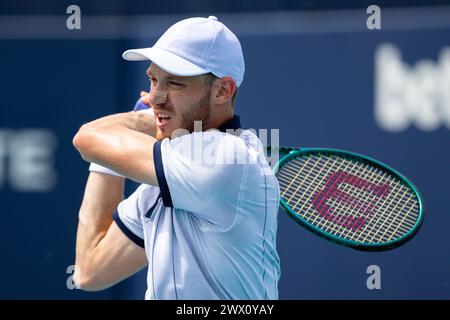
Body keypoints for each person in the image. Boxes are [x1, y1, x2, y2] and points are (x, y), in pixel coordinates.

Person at [72, 15, 281, 300]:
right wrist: (120, 150)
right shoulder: (168, 178)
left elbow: (87, 138)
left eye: (175, 84)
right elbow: (89, 270)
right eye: (154, 80)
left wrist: (143, 120)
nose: (156, 97)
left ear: (223, 90)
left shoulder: (224, 157)